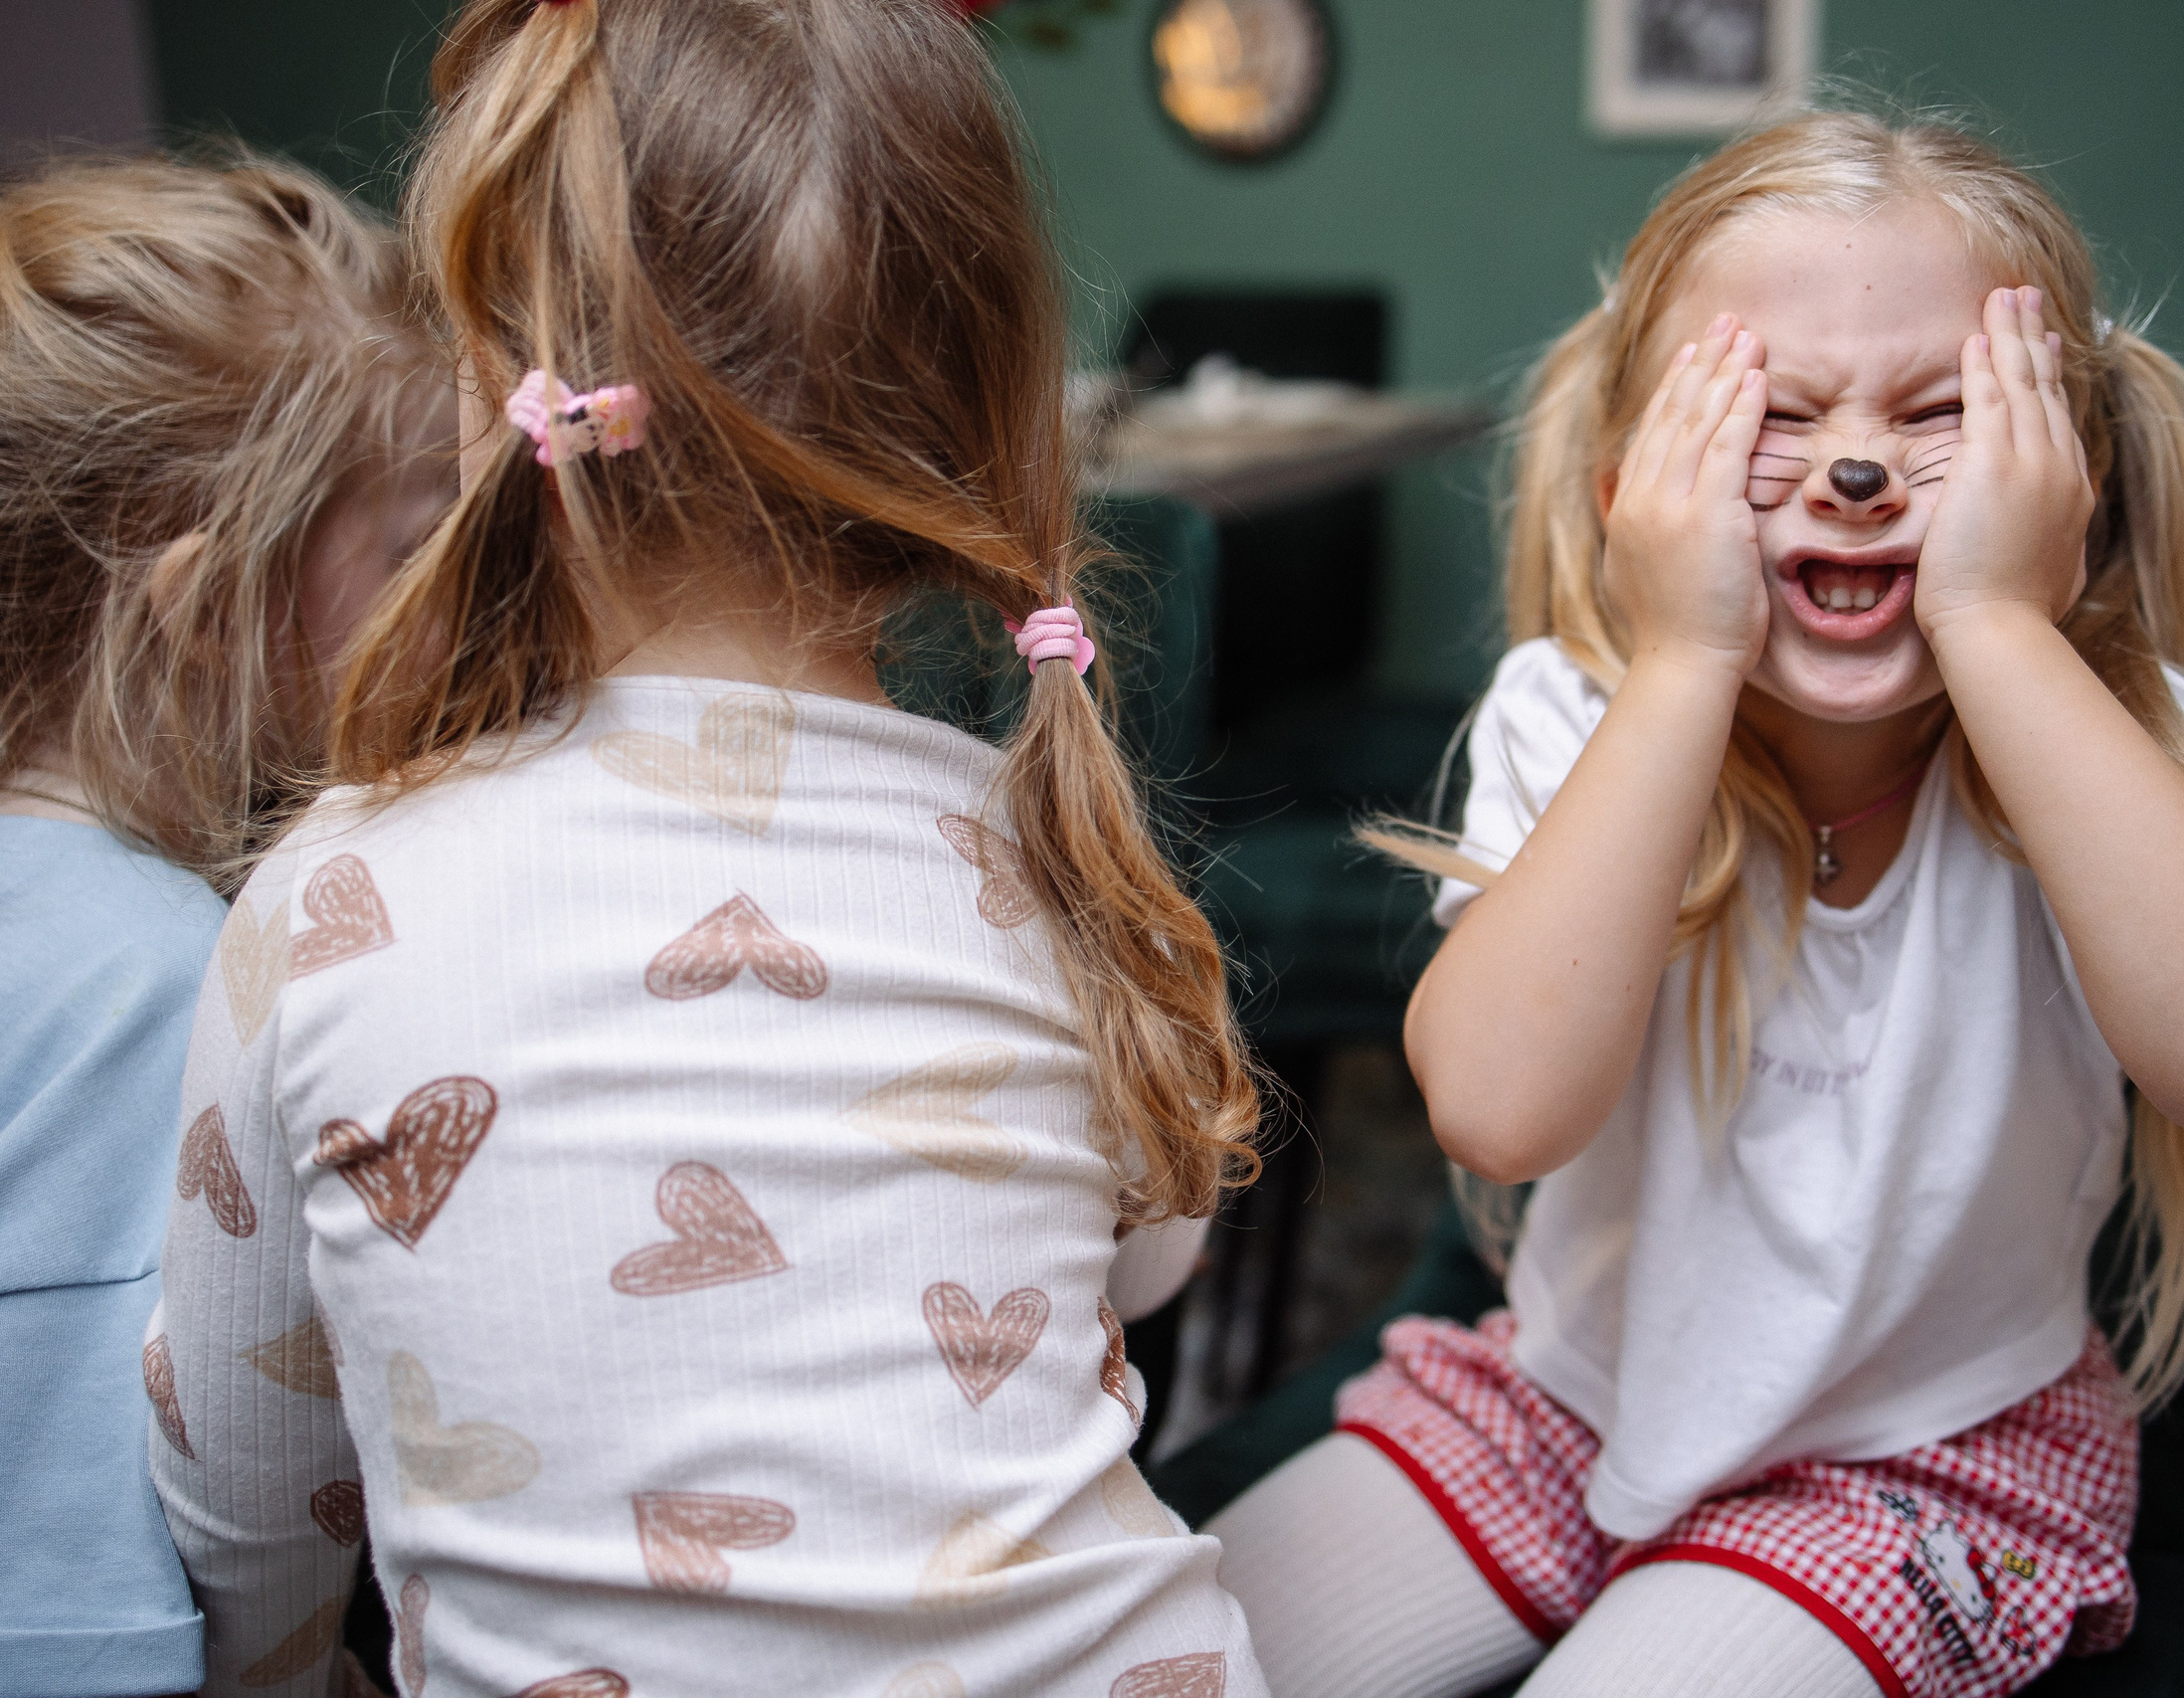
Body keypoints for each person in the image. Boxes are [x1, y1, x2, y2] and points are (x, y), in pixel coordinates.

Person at [1206, 110, 2184, 1698]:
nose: (1855, 471)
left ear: (2069, 477)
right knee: (1164, 1661)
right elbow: (1500, 1116)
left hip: (1922, 1461)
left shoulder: (2125, 745)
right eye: (1767, 416)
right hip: (1565, 1395)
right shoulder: (1576, 713)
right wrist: (1681, 661)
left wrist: (1998, 616)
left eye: (1942, 416)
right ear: (1631, 488)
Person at [146, 2, 1266, 1694]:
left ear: (507, 386)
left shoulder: (331, 898)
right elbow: (1151, 1258)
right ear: (972, 414)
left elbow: (240, 1508)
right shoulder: (1049, 860)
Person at [0, 154, 444, 1698]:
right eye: (411, 546)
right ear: (210, 606)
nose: (460, 601)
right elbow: (82, 1630)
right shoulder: (155, 982)